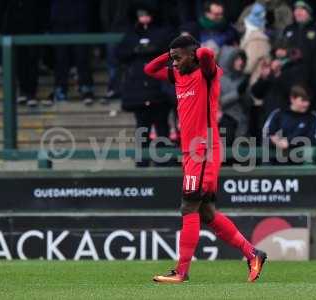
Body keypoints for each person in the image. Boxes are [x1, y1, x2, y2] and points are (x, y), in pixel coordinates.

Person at [144, 35, 267, 283]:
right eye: (173, 59)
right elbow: (149, 69)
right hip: (190, 152)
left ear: (191, 55)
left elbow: (207, 56)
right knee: (207, 213)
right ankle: (253, 253)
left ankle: (182, 271)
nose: (174, 64)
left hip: (204, 151)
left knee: (188, 206)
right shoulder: (177, 75)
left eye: (178, 58)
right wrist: (172, 54)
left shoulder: (208, 74)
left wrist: (196, 50)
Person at [118, 7, 171, 167]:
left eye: (147, 15)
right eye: (141, 15)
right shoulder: (131, 35)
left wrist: (153, 50)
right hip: (139, 91)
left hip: (159, 90)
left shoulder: (163, 33)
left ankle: (163, 160)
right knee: (142, 127)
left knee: (161, 126)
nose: (144, 19)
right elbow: (120, 53)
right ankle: (143, 161)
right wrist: (136, 51)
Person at [46, 0, 95, 106]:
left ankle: (86, 89)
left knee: (82, 56)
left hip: (79, 20)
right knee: (61, 58)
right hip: (59, 22)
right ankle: (60, 89)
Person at [263, 84, 316, 163]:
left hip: (303, 165)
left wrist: (288, 142)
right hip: (277, 163)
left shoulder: (313, 117)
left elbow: (314, 139)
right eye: (303, 100)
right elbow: (266, 135)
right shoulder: (278, 114)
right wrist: (275, 142)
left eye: (308, 101)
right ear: (292, 99)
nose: (306, 104)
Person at [219, 49, 251, 146]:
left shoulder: (243, 79)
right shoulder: (220, 79)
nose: (240, 62)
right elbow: (219, 101)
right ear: (230, 60)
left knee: (241, 156)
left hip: (242, 123)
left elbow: (248, 104)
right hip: (226, 122)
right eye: (237, 59)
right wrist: (237, 93)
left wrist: (245, 94)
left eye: (242, 59)